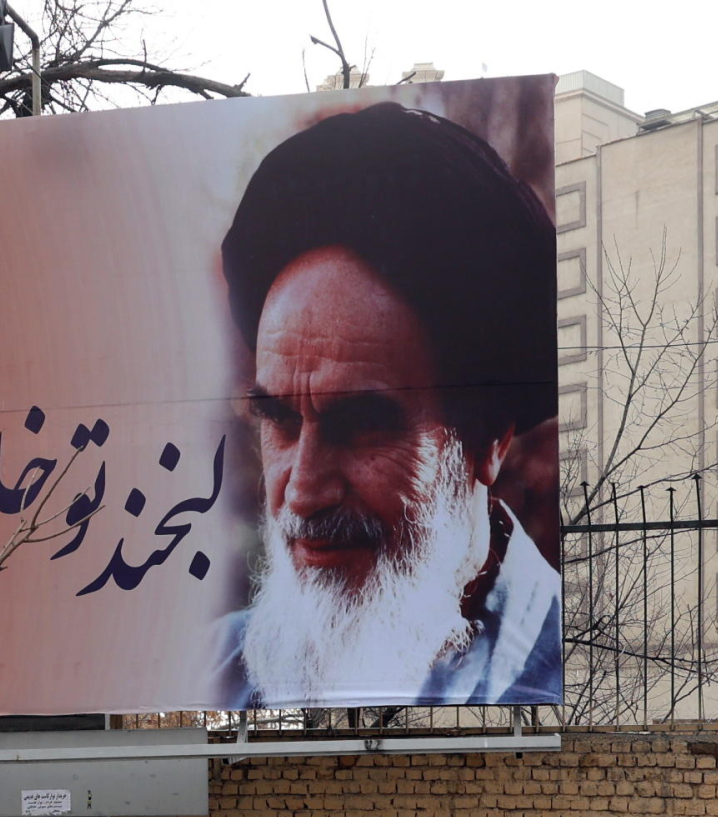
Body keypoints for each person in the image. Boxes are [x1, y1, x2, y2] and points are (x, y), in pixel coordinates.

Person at [213, 101, 562, 711]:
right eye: (282, 422)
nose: (302, 493)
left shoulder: (584, 678)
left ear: (488, 440)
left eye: (360, 427)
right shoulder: (209, 671)